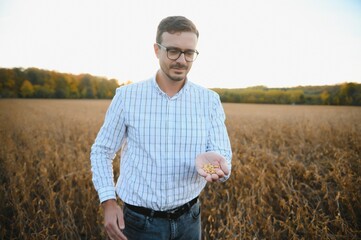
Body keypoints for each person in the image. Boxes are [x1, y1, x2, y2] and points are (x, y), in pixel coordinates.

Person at [90, 16, 232, 240]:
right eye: (173, 51)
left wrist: (218, 167)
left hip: (189, 220)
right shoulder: (127, 97)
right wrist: (108, 201)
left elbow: (223, 157)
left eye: (189, 53)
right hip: (139, 223)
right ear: (157, 50)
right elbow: (102, 151)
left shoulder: (209, 100)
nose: (182, 60)